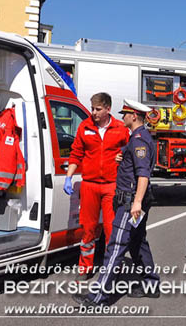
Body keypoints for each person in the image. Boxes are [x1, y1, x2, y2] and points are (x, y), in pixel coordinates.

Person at [74, 99, 160, 306]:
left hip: (130, 202)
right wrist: (125, 158)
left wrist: (136, 203)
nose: (122, 118)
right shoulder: (138, 138)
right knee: (137, 242)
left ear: (134, 116)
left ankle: (99, 296)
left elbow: (143, 175)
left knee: (116, 246)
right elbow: (139, 165)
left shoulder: (139, 140)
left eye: (125, 114)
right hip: (132, 199)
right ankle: (151, 284)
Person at [64, 93, 129, 280]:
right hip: (90, 185)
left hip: (111, 185)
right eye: (92, 108)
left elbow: (130, 152)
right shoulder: (85, 127)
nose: (93, 113)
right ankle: (85, 269)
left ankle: (111, 270)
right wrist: (69, 177)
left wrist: (123, 158)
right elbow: (76, 154)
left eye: (98, 109)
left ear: (108, 109)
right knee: (88, 229)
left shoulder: (120, 129)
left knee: (111, 229)